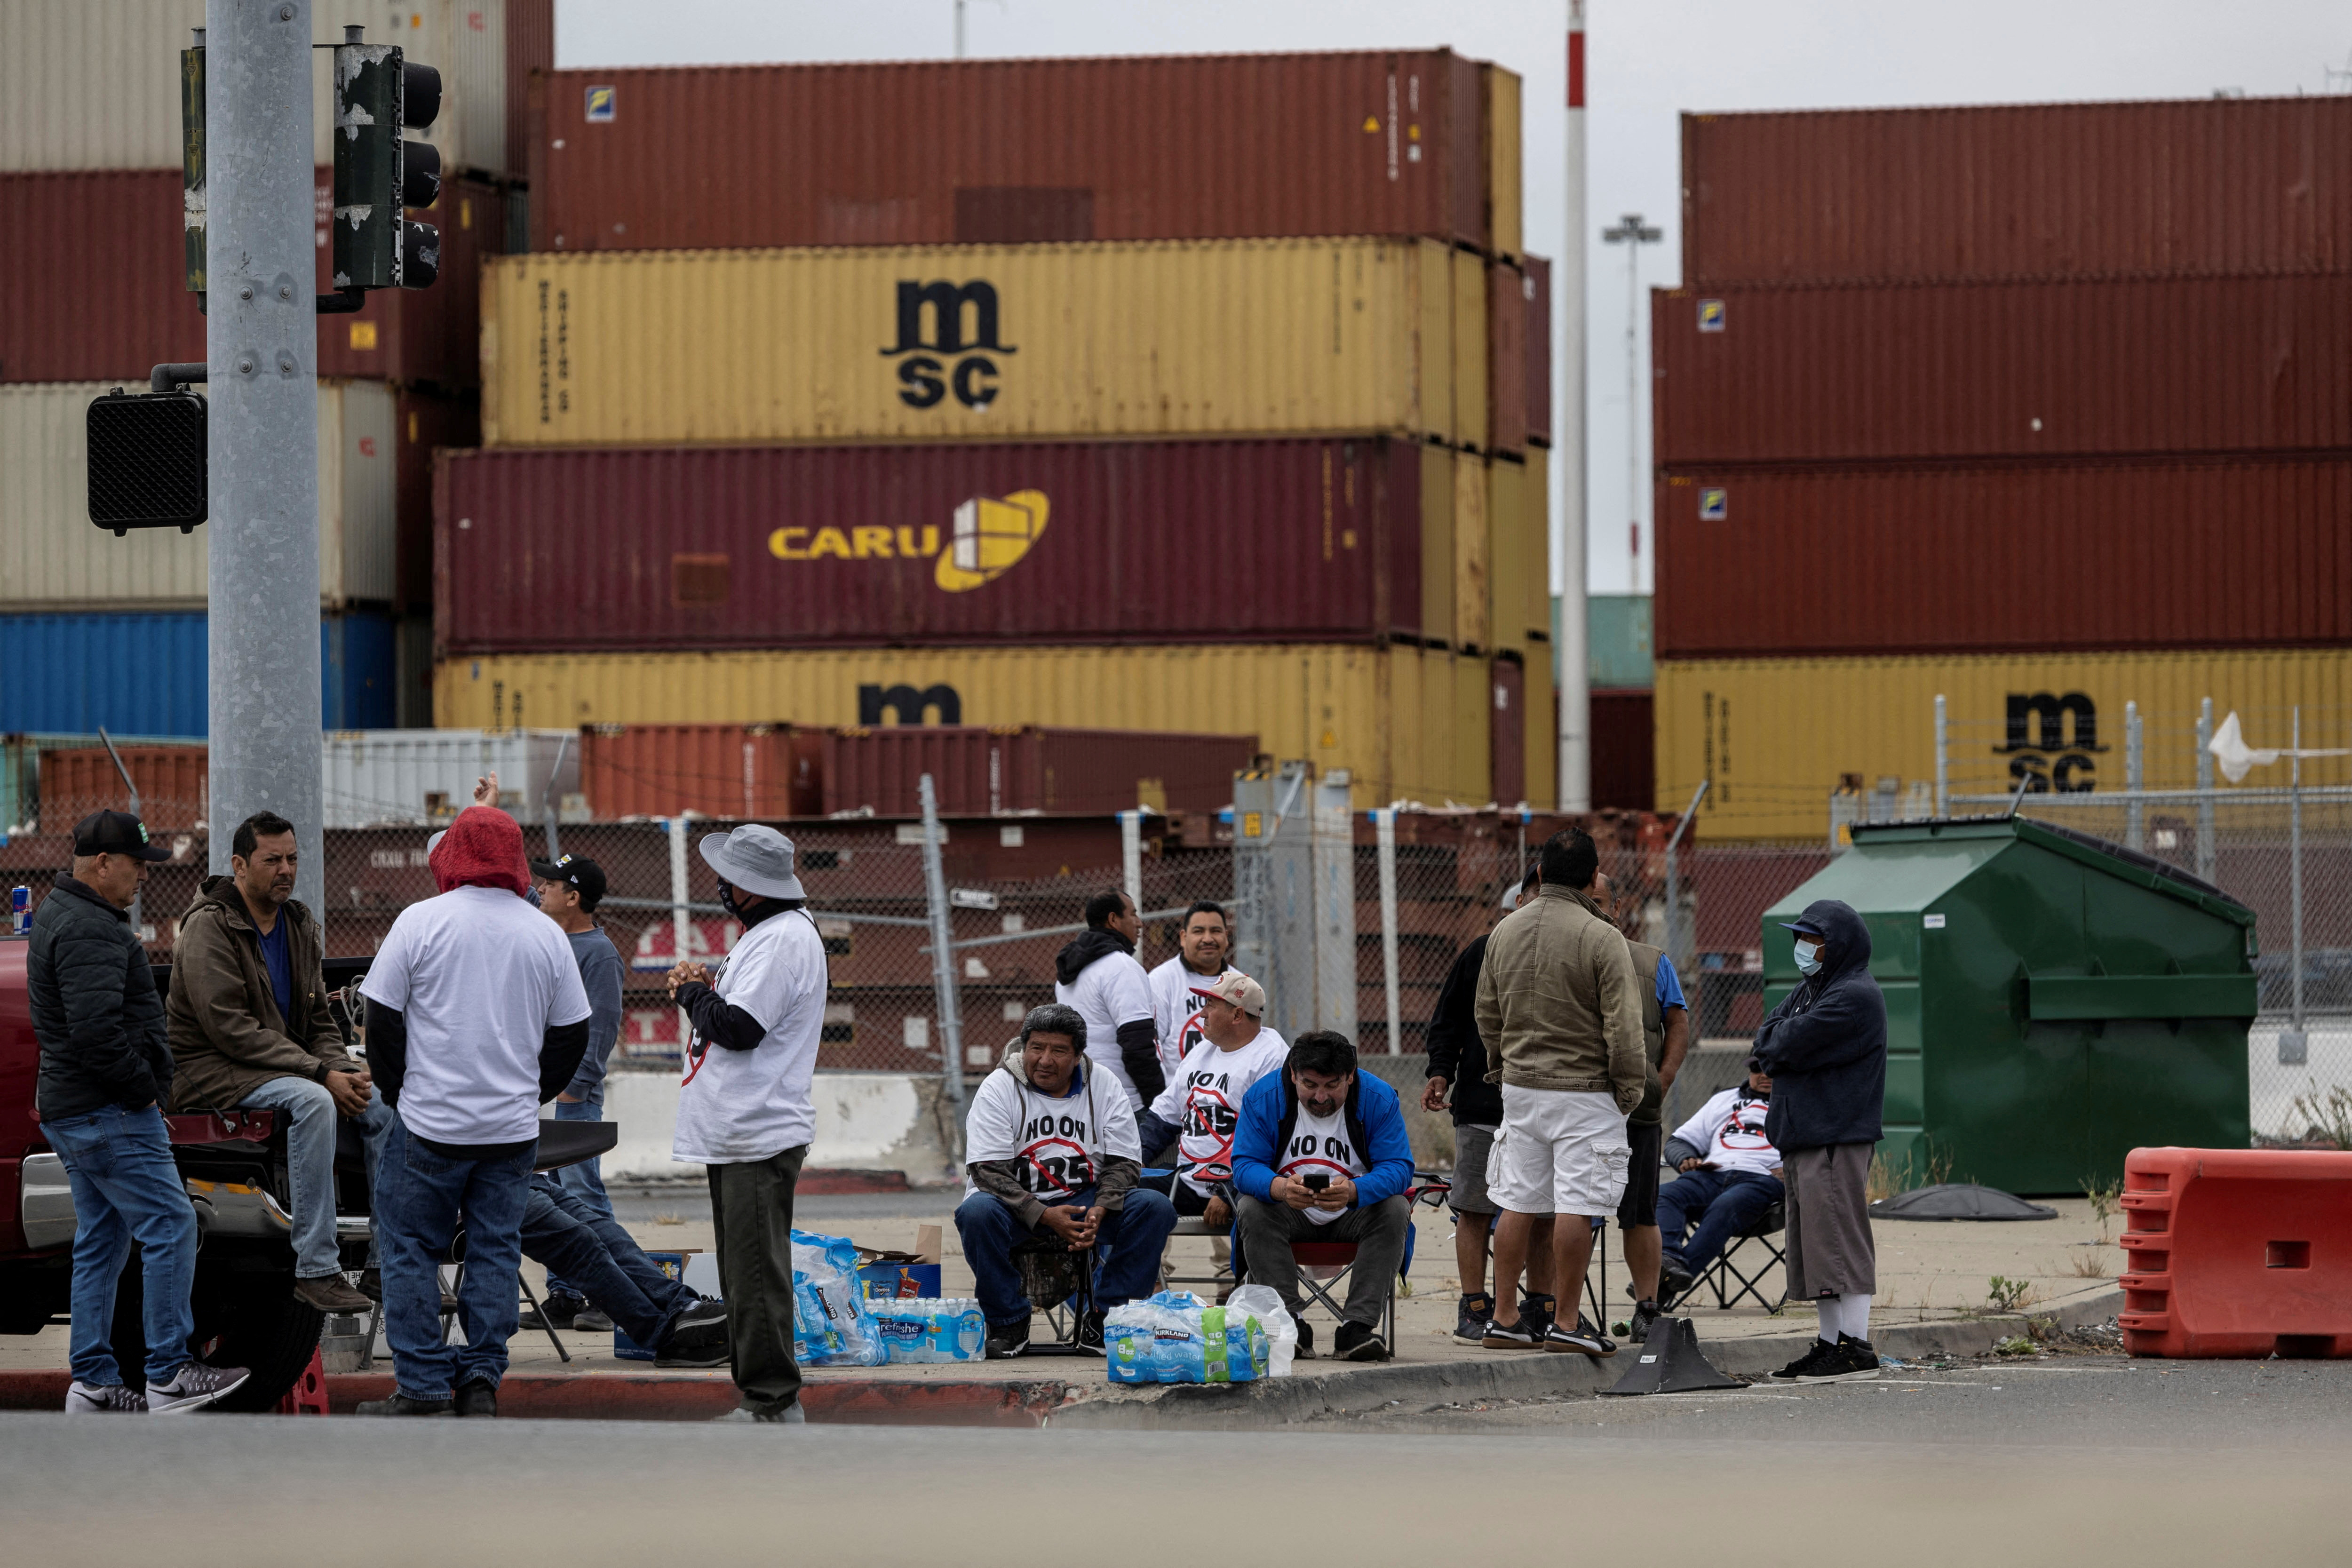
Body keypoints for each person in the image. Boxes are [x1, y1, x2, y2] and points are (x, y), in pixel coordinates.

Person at [356, 804, 592, 1417]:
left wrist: (398, 1091)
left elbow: (380, 1018)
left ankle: (423, 1386)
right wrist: (528, 1091)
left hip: (430, 1123)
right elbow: (573, 1032)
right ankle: (482, 1379)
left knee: (410, 1247)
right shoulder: (544, 932)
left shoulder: (421, 922)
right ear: (515, 860)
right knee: (495, 1247)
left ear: (453, 854)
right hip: (509, 1130)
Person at [30, 810, 250, 1415]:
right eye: (134, 865)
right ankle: (170, 1372)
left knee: (102, 1238)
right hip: (109, 1111)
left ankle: (94, 1383)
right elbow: (97, 1033)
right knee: (172, 1225)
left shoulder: (60, 912)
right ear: (103, 864)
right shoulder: (92, 929)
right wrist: (143, 1091)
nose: (140, 879)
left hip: (75, 1109)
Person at [167, 810, 391, 1315]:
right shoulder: (210, 927)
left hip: (275, 1067)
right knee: (314, 1101)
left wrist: (345, 1072)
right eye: (272, 860)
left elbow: (317, 1022)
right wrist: (320, 1074)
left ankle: (386, 1264)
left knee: (384, 1107)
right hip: (210, 1073)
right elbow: (230, 1029)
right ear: (239, 865)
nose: (286, 869)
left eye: (292, 858)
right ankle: (316, 1269)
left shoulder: (298, 923)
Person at [667, 824, 829, 1424]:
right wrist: (706, 991)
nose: (721, 889)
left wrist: (690, 993)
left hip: (755, 1130)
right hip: (739, 1129)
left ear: (751, 889)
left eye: (729, 881)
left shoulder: (782, 939)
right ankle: (763, 1398)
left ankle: (771, 1401)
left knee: (754, 1273)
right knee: (744, 1271)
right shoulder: (771, 934)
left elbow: (739, 1028)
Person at [1471, 828, 1645, 1357]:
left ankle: (1503, 1316)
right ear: (1594, 877)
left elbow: (1487, 1012)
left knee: (1516, 1200)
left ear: (1540, 873)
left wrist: (1502, 1065)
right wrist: (1628, 1089)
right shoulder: (1601, 937)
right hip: (1585, 1089)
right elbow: (1623, 1026)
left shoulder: (1505, 931)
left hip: (1521, 1087)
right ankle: (1566, 1321)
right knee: (1578, 1202)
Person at [956, 1003, 1179, 1359]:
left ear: (1077, 1055)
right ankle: (1009, 1322)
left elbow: (1125, 1162)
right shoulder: (998, 1087)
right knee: (976, 1212)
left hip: (1084, 1201)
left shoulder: (1104, 1084)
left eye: (1058, 1050)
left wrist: (1103, 1208)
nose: (1045, 1059)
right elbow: (987, 1171)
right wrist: (1043, 1214)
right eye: (1036, 1048)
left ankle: (1107, 1320)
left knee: (1154, 1207)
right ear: (1023, 1047)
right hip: (1017, 1205)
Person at [1423, 867, 1561, 1344]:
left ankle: (1541, 1303)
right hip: (1483, 1103)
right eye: (1532, 901)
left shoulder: (1567, 954)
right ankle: (1474, 1304)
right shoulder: (1481, 952)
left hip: (1547, 1104)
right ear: (1516, 905)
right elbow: (1447, 1019)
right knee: (1474, 1208)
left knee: (1543, 1211)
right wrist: (1439, 1072)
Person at [1752, 899, 1887, 1385]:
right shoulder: (1814, 990)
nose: (1803, 948)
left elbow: (1781, 1044)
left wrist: (1779, 1048)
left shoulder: (1852, 996)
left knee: (1839, 1242)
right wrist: (1778, 1048)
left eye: (1814, 939)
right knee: (1816, 1248)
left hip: (1834, 1135)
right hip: (1805, 1135)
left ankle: (1855, 1347)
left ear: (1838, 945)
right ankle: (1830, 1346)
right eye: (1800, 938)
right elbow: (1764, 1041)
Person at [1231, 1031, 1415, 1363]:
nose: (1319, 1096)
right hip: (1288, 1211)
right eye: (1309, 1084)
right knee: (1251, 1206)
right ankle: (1290, 1323)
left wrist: (1356, 1191)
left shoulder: (1378, 1097)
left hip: (1353, 1213)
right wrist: (1281, 1188)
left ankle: (1356, 1328)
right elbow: (1244, 1165)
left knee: (1396, 1207)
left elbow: (1400, 1167)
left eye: (1332, 1085)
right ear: (1292, 1074)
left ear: (1351, 1076)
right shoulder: (1263, 1097)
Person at [525, 852, 625, 1332]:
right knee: (552, 1193)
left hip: (571, 1093)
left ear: (574, 897)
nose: (539, 889)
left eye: (550, 885)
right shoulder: (547, 934)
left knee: (582, 1191)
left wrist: (575, 1086)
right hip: (537, 1087)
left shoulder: (598, 954)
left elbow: (602, 1026)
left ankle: (609, 1297)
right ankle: (564, 1293)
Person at [1594, 868, 1692, 1345]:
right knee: (1565, 1211)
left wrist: (1663, 1078)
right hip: (1579, 1109)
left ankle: (1647, 1307)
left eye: (1599, 900)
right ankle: (1556, 1308)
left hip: (1637, 1112)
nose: (1592, 909)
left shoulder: (1652, 963)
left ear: (1616, 908)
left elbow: (1676, 1021)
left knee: (1640, 1212)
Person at [516, 1175, 731, 1366]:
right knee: (581, 1243)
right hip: (493, 1185)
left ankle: (685, 1308)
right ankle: (668, 1340)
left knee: (611, 1235)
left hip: (529, 1177)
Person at [1136, 971, 1287, 1223]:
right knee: (1115, 1190)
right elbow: (1162, 1118)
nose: (1202, 1013)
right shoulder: (1202, 1052)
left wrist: (1227, 1188)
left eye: (1211, 1005)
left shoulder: (1271, 1057)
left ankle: (1244, 1265)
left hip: (1240, 1183)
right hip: (1188, 1178)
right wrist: (1134, 1159)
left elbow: (1272, 1138)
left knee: (1254, 1211)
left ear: (1237, 1014)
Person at [1656, 1063, 1783, 1294]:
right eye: (1757, 1067)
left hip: (1762, 1179)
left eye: (1772, 1069)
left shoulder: (1798, 1101)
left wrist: (1795, 1168)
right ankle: (1669, 1260)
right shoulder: (1725, 1099)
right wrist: (1685, 1159)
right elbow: (1679, 1141)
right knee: (1664, 1195)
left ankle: (1662, 1288)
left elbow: (1821, 1145)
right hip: (1712, 1173)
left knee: (1726, 1206)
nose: (1764, 1074)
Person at [1053, 888, 1163, 1109]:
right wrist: (1158, 1105)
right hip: (1126, 1103)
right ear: (1114, 920)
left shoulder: (1068, 974)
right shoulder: (1121, 968)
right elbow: (1138, 1045)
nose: (1140, 923)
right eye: (1133, 914)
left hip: (1081, 1098)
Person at [1148, 901, 1236, 1067]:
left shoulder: (1240, 983)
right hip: (1176, 1089)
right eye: (1199, 931)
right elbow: (1151, 1047)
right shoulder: (1161, 981)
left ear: (1226, 937)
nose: (1208, 939)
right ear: (1183, 937)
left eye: (1216, 931)